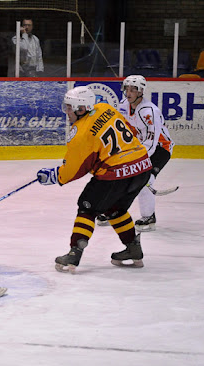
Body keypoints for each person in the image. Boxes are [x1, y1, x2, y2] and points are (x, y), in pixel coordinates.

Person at [36, 86, 152, 272]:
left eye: (69, 107)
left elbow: (74, 171)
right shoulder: (106, 108)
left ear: (81, 109)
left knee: (87, 207)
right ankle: (133, 249)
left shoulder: (81, 133)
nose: (66, 111)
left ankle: (74, 253)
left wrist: (55, 175)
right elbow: (131, 132)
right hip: (142, 166)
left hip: (116, 173)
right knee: (116, 208)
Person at [114, 75, 174, 231]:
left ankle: (148, 217)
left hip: (161, 148)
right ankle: (114, 210)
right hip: (138, 146)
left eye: (133, 89)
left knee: (147, 180)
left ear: (141, 91)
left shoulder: (150, 111)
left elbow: (152, 142)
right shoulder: (122, 105)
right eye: (126, 89)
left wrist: (137, 159)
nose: (129, 93)